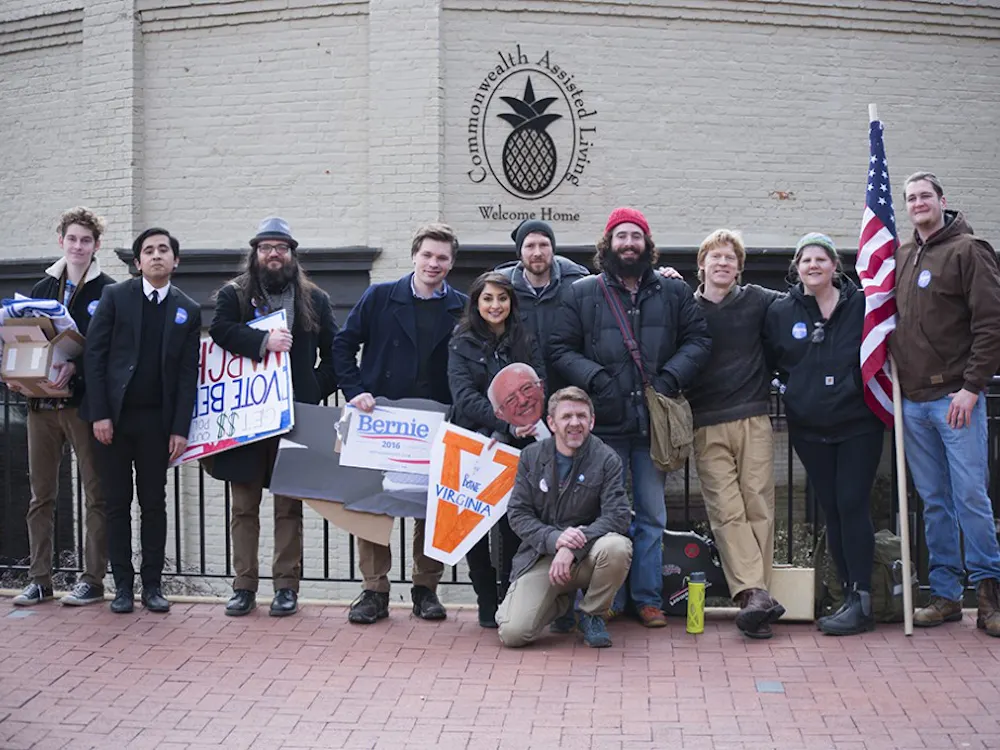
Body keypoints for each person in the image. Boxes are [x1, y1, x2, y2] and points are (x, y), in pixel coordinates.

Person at [550, 207, 711, 628]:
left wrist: (671, 377)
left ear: (646, 244)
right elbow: (559, 348)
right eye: (620, 236)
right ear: (608, 243)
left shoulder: (673, 291)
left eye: (635, 236)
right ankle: (607, 599)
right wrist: (596, 378)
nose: (628, 243)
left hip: (652, 426)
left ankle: (647, 598)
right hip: (603, 426)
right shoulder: (582, 293)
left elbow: (699, 339)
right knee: (606, 516)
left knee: (653, 516)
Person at [333, 222, 467, 624]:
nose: (433, 263)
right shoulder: (379, 296)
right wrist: (354, 390)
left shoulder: (462, 306)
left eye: (442, 257)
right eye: (427, 255)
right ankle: (374, 590)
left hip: (437, 419)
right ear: (413, 256)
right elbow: (343, 344)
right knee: (374, 504)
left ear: (451, 263)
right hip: (381, 419)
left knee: (433, 505)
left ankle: (426, 589)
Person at [207, 217, 339, 618]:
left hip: (293, 419)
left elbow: (335, 354)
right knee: (243, 507)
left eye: (281, 248)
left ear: (292, 255)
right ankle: (243, 586)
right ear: (255, 254)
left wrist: (312, 388)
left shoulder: (316, 299)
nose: (273, 255)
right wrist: (263, 341)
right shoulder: (234, 294)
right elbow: (219, 330)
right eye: (266, 248)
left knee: (288, 507)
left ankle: (286, 587)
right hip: (247, 419)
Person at [890, 172, 1000, 636]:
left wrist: (972, 387)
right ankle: (946, 595)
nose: (918, 203)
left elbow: (991, 323)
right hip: (913, 402)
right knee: (934, 502)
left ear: (942, 200)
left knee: (970, 496)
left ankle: (990, 596)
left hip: (956, 399)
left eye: (925, 196)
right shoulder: (903, 254)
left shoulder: (969, 250)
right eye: (911, 198)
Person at [764, 233, 884, 636]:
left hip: (858, 423)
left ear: (835, 265)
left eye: (821, 258)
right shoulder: (781, 311)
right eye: (805, 260)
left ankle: (863, 598)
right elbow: (770, 358)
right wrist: (791, 390)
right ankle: (846, 595)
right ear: (796, 268)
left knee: (852, 503)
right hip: (810, 427)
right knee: (831, 509)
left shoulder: (863, 304)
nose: (813, 265)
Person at [83, 227, 201, 614]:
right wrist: (100, 413)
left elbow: (188, 375)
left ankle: (152, 586)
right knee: (116, 504)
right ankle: (121, 587)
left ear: (175, 260)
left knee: (154, 505)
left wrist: (180, 428)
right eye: (148, 251)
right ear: (137, 262)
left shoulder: (187, 309)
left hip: (157, 425)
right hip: (113, 422)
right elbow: (95, 356)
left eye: (163, 250)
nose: (156, 255)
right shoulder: (116, 297)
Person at [9, 207, 115, 607]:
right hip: (41, 404)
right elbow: (27, 339)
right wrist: (16, 374)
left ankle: (93, 581)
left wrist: (76, 367)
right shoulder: (42, 287)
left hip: (82, 405)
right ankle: (40, 580)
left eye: (86, 240)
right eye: (72, 239)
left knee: (95, 494)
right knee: (41, 495)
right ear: (61, 241)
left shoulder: (109, 291)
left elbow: (110, 351)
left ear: (96, 245)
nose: (78, 246)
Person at [687, 229, 785, 639]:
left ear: (739, 267)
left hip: (753, 416)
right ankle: (757, 594)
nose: (723, 263)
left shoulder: (759, 299)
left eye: (731, 258)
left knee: (758, 503)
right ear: (702, 265)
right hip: (706, 422)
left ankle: (753, 599)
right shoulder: (685, 306)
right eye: (716, 257)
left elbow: (802, 302)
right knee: (726, 511)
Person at [497, 387, 632, 648]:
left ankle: (592, 615)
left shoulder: (607, 459)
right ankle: (561, 604)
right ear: (552, 423)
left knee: (617, 547)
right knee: (513, 634)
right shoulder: (531, 456)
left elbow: (618, 515)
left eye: (581, 416)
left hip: (589, 555)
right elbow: (518, 513)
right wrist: (555, 539)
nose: (574, 423)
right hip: (542, 556)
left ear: (591, 421)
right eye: (567, 416)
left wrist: (573, 545)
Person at [448, 272, 545, 628]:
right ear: (476, 303)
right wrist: (505, 424)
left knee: (512, 524)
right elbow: (464, 397)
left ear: (511, 302)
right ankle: (486, 598)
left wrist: (521, 423)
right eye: (487, 298)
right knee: (473, 526)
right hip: (474, 442)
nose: (495, 305)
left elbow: (538, 384)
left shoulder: (525, 338)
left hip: (521, 444)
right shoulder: (461, 342)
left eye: (502, 298)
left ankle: (509, 595)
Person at [494, 220, 588, 391]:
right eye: (530, 246)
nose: (537, 253)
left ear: (553, 249)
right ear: (519, 252)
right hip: (520, 391)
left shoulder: (576, 286)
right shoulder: (502, 290)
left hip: (570, 389)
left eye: (544, 245)